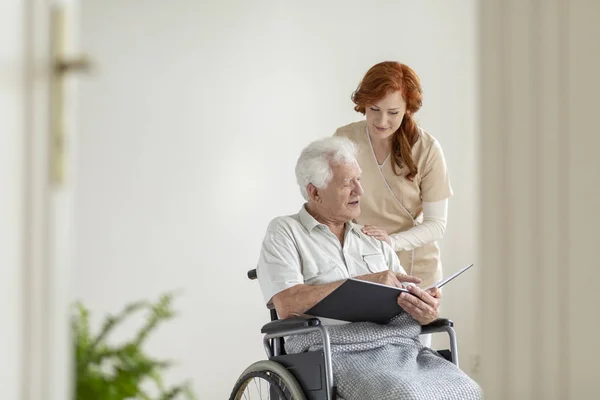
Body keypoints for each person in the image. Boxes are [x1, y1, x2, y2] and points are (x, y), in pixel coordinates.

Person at [256, 137, 482, 400]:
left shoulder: (371, 237)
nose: (359, 191)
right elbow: (286, 303)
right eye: (346, 183)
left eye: (358, 180)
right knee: (405, 395)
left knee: (468, 391)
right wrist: (366, 281)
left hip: (399, 347)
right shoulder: (285, 231)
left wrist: (425, 310)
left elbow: (406, 301)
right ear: (315, 192)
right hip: (332, 350)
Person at [333, 61, 452, 291]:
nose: (381, 121)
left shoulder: (427, 149)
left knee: (411, 326)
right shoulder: (345, 139)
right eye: (374, 109)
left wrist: (391, 242)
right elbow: (332, 202)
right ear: (364, 104)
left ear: (408, 108)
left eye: (393, 112)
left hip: (415, 268)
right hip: (363, 263)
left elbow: (437, 224)